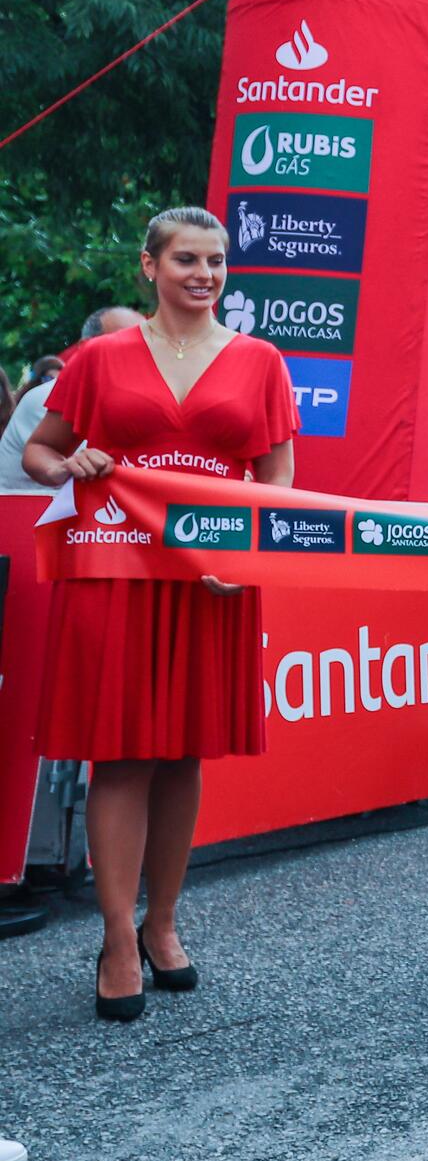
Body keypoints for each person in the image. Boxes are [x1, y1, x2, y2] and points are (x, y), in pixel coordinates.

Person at [21, 208, 299, 1021]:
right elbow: (39, 449)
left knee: (184, 753)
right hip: (114, 574)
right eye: (186, 259)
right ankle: (115, 937)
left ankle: (164, 924)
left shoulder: (260, 360)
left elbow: (277, 479)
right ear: (149, 266)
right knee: (123, 755)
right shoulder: (99, 357)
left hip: (208, 580)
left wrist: (241, 558)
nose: (204, 274)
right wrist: (68, 461)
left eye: (216, 260)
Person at [0, 307, 144, 495]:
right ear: (87, 347)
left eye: (145, 346)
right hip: (31, 515)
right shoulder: (50, 396)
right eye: (123, 345)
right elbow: (93, 467)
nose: (138, 355)